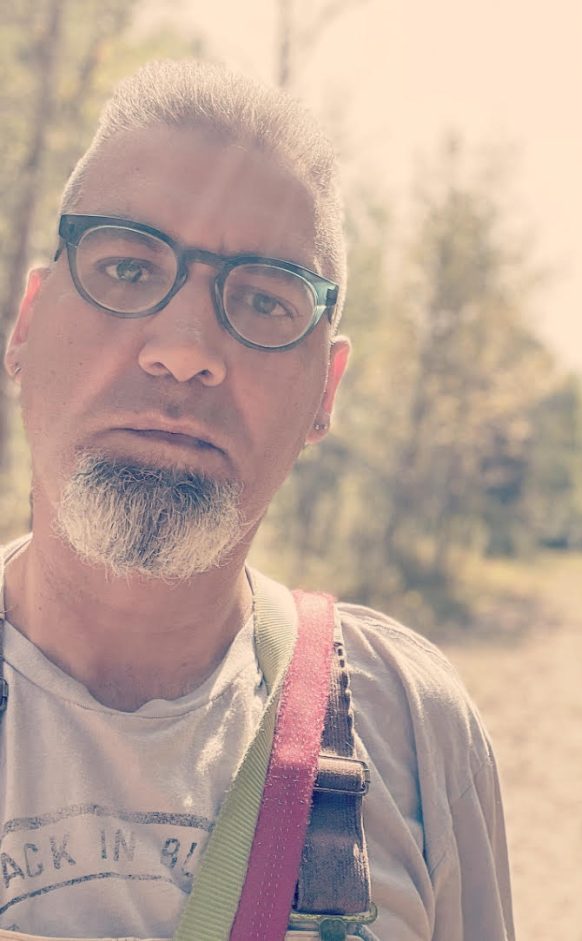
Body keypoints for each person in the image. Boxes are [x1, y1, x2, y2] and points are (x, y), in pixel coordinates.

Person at [0, 60, 514, 941]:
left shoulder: (417, 731)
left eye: (267, 299)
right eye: (127, 268)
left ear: (326, 389)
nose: (186, 348)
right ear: (27, 323)